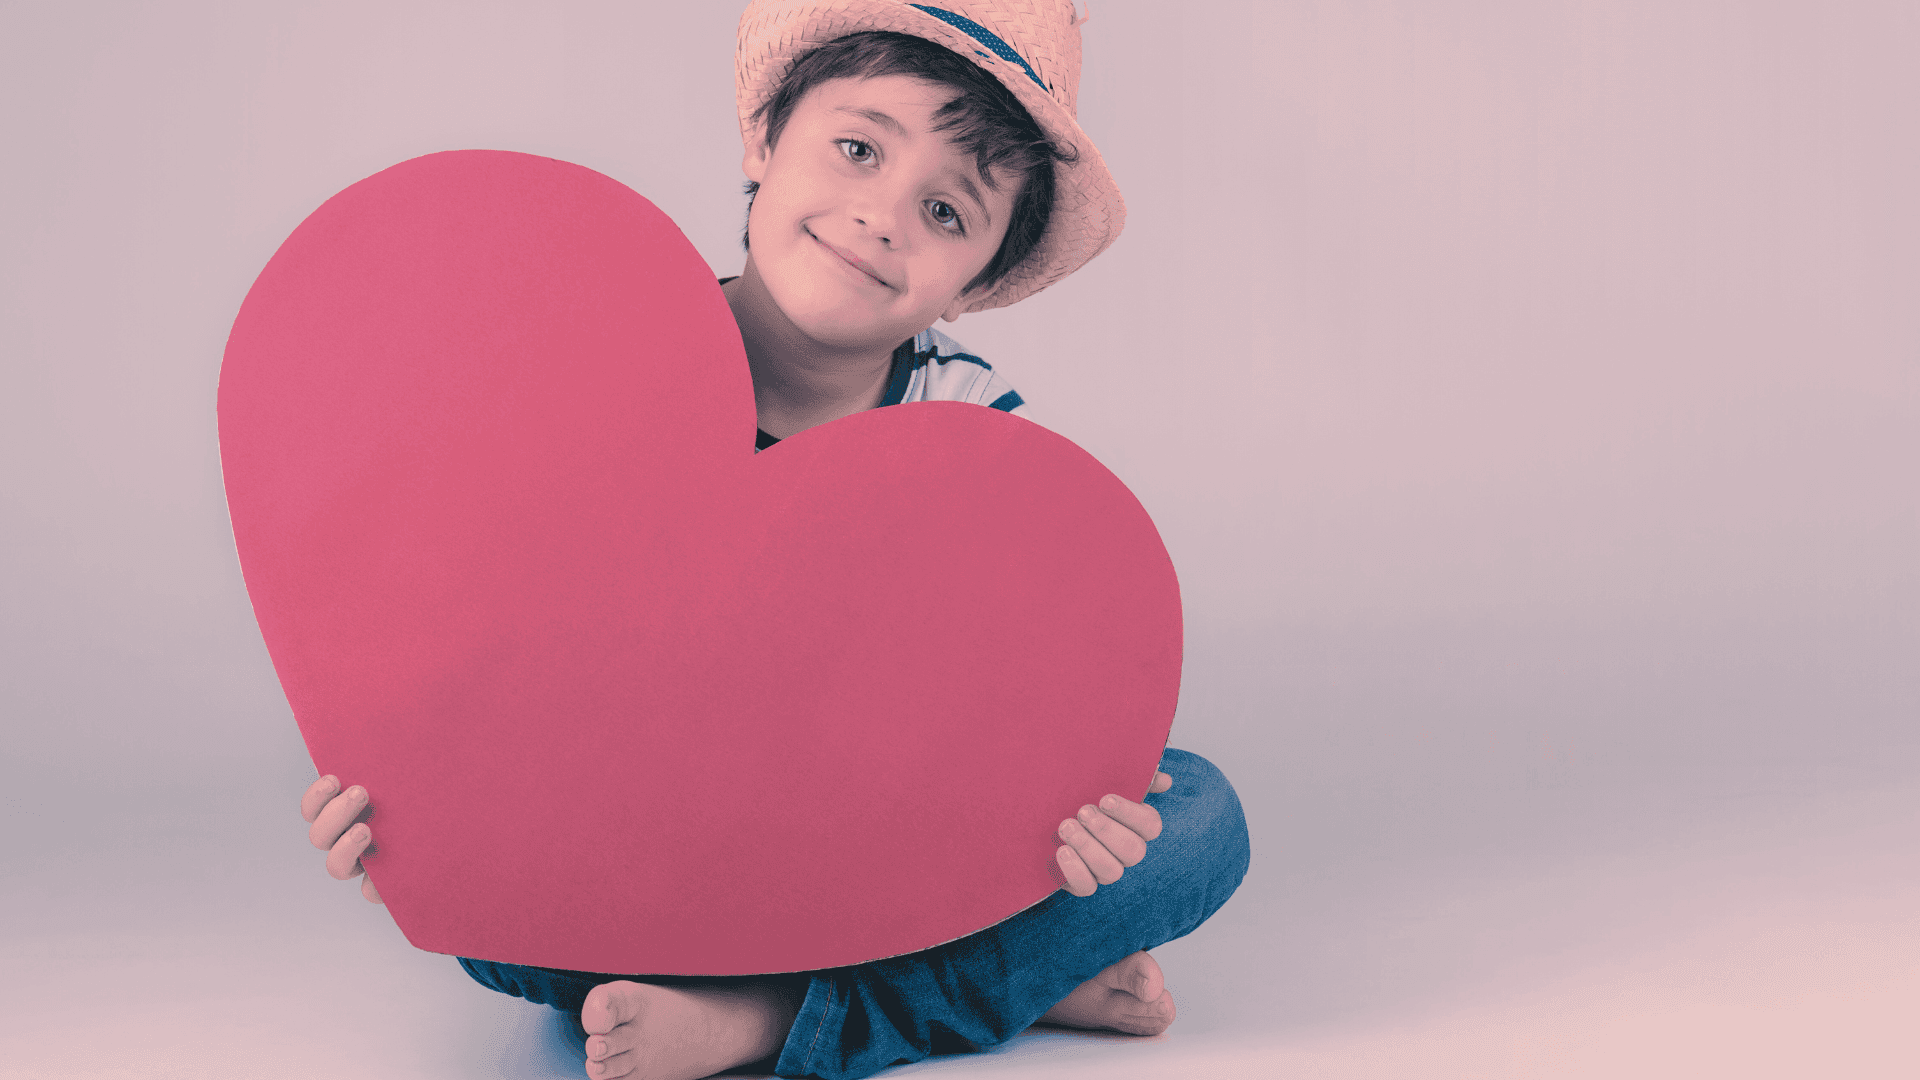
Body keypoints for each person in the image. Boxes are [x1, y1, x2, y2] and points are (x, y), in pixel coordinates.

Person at [299, 3, 1249, 1078]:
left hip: (864, 834)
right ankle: (999, 981)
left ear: (978, 280)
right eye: (857, 149)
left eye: (946, 210)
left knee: (1200, 820)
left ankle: (763, 1018)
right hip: (643, 826)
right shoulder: (606, 362)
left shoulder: (976, 434)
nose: (882, 215)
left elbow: (1009, 706)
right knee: (489, 925)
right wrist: (419, 803)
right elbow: (491, 631)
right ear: (763, 139)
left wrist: (1080, 808)